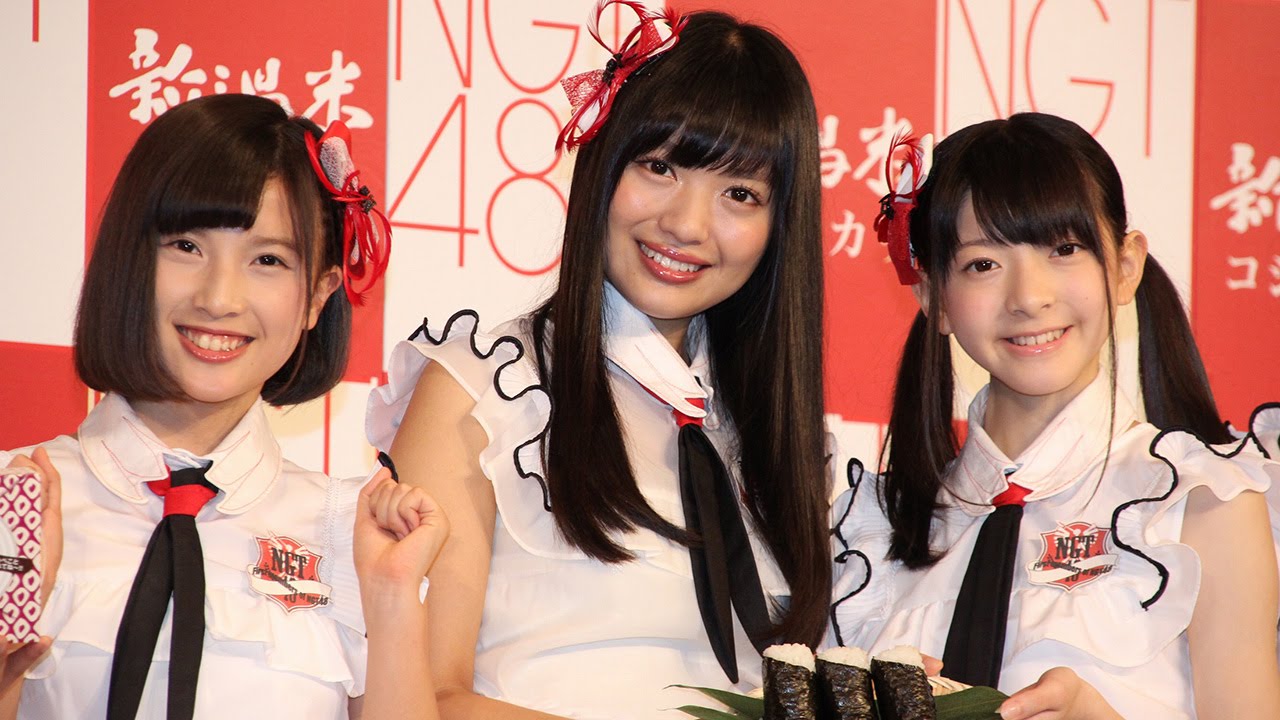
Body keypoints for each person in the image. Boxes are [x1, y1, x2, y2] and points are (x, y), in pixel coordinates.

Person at [366, 2, 830, 717]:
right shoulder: (481, 392)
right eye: (660, 166)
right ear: (602, 161)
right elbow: (419, 697)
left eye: (740, 193)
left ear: (780, 225)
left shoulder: (784, 441)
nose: (686, 224)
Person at [0, 93, 446, 719]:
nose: (219, 298)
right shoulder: (14, 502)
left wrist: (394, 597)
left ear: (319, 296)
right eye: (187, 246)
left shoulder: (352, 533)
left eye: (268, 260)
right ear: (128, 258)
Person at [829, 112, 1280, 719]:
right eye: (983, 264)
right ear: (934, 296)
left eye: (1064, 250)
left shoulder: (1204, 505)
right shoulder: (872, 536)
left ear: (1124, 267)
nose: (1029, 297)